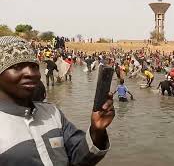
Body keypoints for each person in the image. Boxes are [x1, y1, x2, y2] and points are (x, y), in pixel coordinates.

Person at [0, 36, 114, 165]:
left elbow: (79, 159)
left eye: (34, 66)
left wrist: (96, 131)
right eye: (16, 66)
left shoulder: (52, 113)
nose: (31, 73)